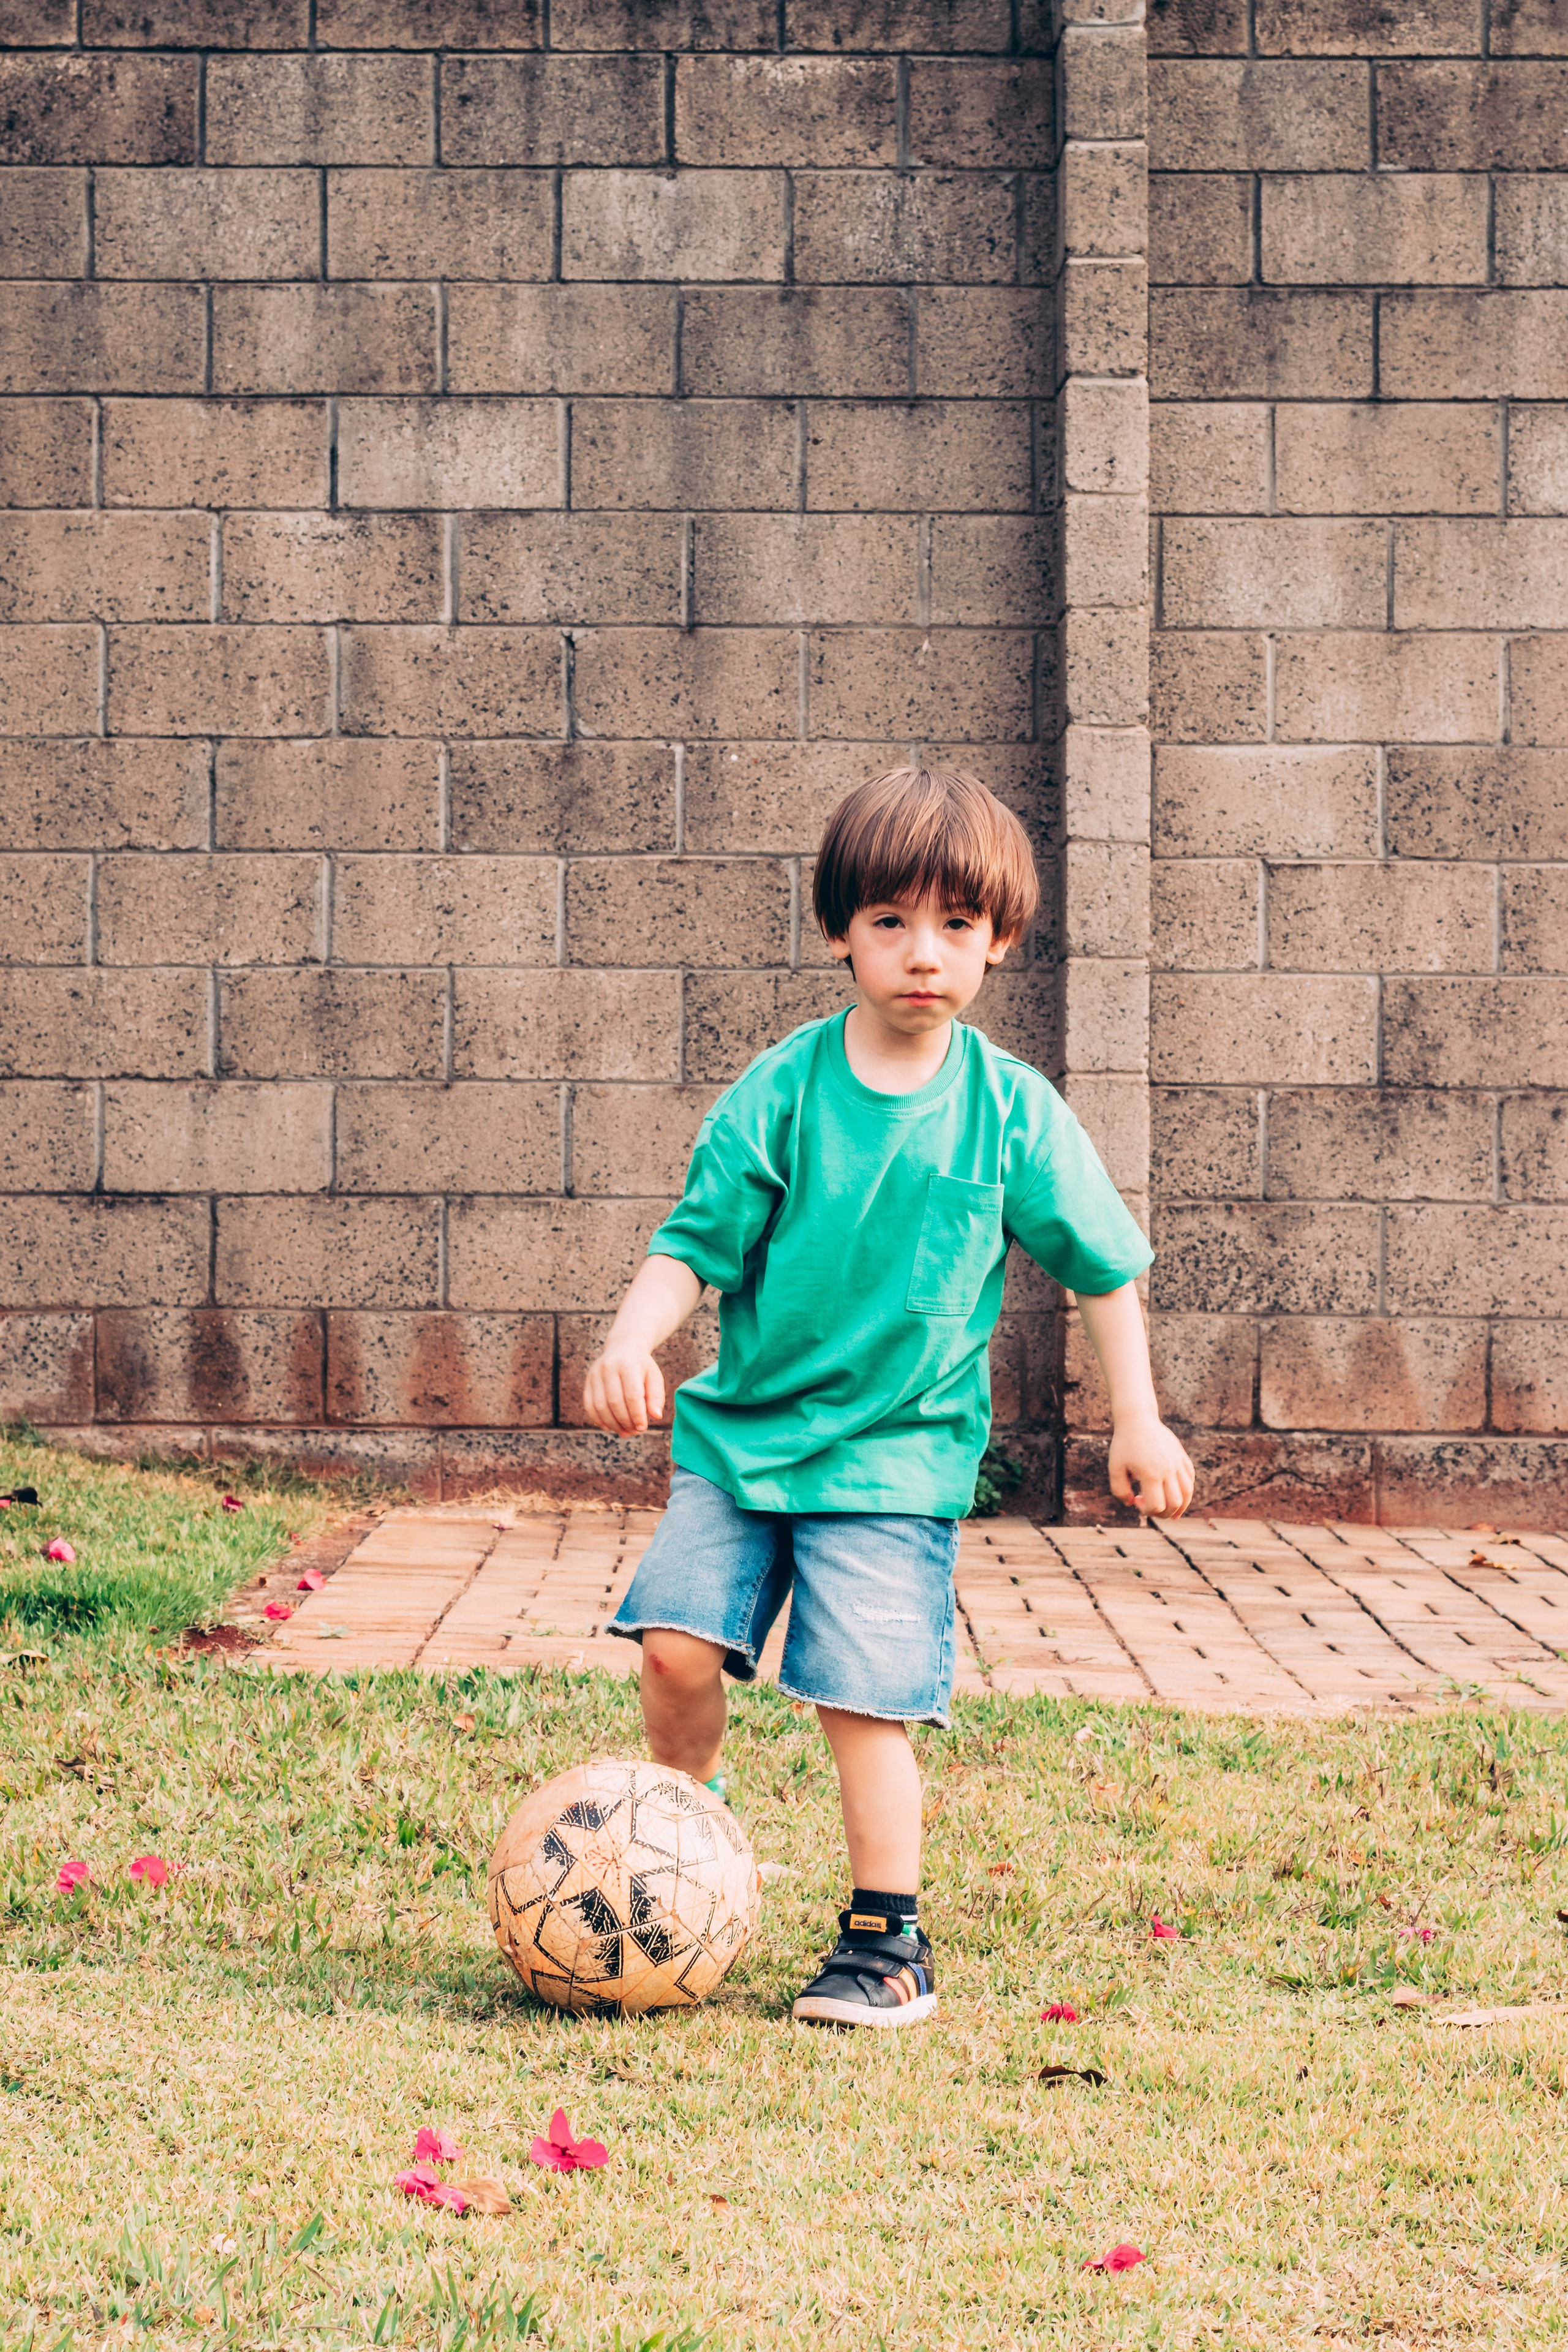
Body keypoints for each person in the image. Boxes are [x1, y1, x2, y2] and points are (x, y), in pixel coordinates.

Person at [583, 766, 1194, 2029]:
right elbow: (693, 1245)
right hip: (742, 1441)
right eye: (890, 923)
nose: (924, 954)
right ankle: (678, 1846)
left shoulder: (1012, 1113)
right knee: (674, 1650)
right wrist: (631, 1339)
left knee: (863, 1697)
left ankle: (884, 1944)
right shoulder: (782, 1091)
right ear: (838, 932)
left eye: (955, 927)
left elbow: (1102, 1268)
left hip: (891, 1463)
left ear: (999, 940)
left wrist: (1134, 1418)